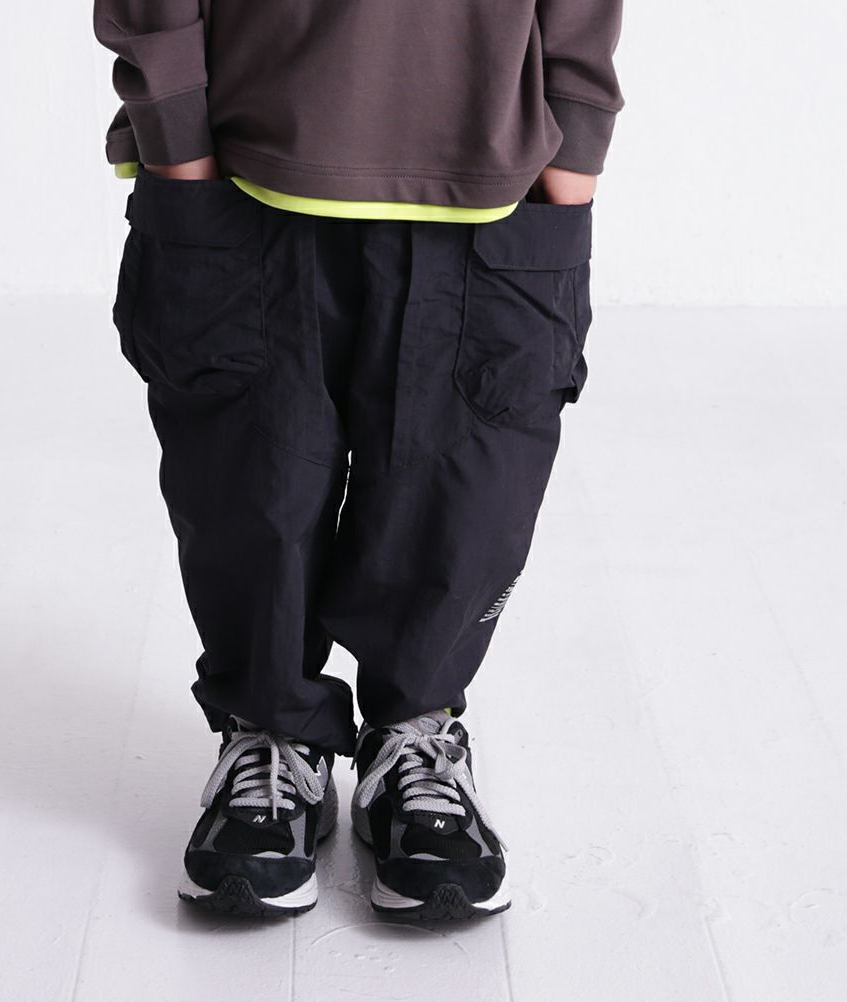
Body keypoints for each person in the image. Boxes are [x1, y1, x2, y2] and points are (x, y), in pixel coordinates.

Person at [93, 0, 624, 920]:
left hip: (490, 174)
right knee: (250, 488)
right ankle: (269, 736)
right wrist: (177, 141)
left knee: (465, 497)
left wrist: (572, 150)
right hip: (245, 163)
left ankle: (413, 737)